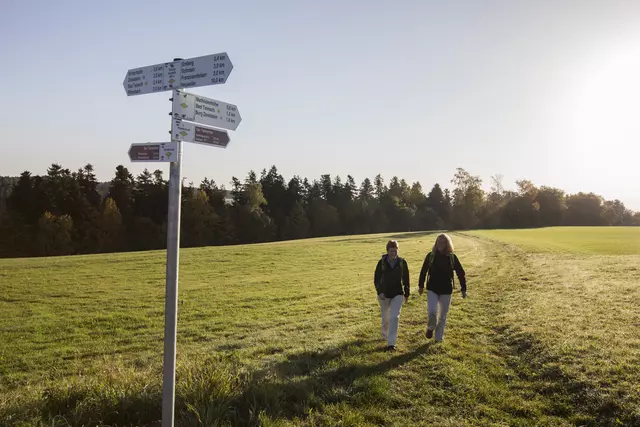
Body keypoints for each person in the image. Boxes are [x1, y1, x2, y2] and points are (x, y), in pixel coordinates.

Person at [418, 233, 466, 343]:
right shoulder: (430, 256)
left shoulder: (452, 257)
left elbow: (460, 272)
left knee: (442, 316)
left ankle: (438, 338)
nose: (440, 244)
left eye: (443, 242)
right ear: (436, 243)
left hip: (446, 290)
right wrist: (421, 286)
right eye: (438, 242)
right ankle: (430, 328)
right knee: (432, 312)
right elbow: (423, 271)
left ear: (447, 244)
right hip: (432, 289)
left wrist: (463, 288)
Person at [374, 240, 410, 351]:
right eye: (391, 251)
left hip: (397, 294)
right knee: (385, 318)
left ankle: (391, 343)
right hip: (384, 295)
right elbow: (376, 278)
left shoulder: (402, 263)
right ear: (387, 251)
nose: (393, 253)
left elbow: (406, 279)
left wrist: (406, 293)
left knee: (394, 317)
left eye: (395, 251)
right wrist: (379, 292)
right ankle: (385, 335)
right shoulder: (382, 262)